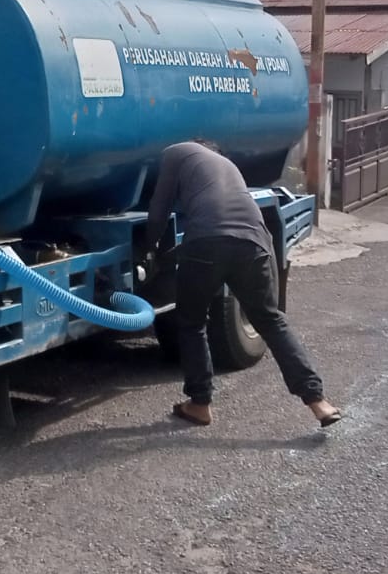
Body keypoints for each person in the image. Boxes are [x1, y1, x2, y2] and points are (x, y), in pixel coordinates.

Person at [145, 139, 342, 428]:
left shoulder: (175, 151)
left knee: (191, 323)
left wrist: (150, 251)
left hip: (207, 243)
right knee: (272, 321)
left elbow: (159, 209)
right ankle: (319, 402)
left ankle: (200, 403)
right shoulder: (228, 166)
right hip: (255, 244)